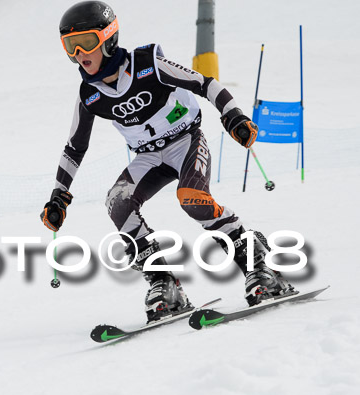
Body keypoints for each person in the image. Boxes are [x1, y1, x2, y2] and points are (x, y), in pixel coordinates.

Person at [40, 1, 295, 323]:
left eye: (86, 42)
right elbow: (74, 148)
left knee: (193, 200)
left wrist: (233, 116)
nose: (79, 53)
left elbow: (206, 84)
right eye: (69, 46)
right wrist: (58, 196)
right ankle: (163, 281)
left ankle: (258, 264)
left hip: (186, 140)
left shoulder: (148, 65)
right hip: (149, 156)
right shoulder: (89, 94)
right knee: (117, 203)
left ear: (108, 38)